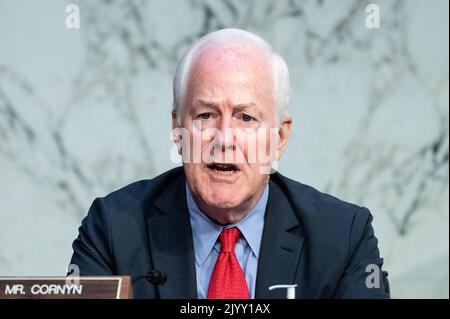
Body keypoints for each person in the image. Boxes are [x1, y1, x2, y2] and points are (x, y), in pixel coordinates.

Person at [70, 28, 389, 299]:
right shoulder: (113, 229)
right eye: (205, 115)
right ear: (177, 130)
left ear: (279, 137)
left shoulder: (343, 237)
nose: (224, 139)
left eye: (246, 118)